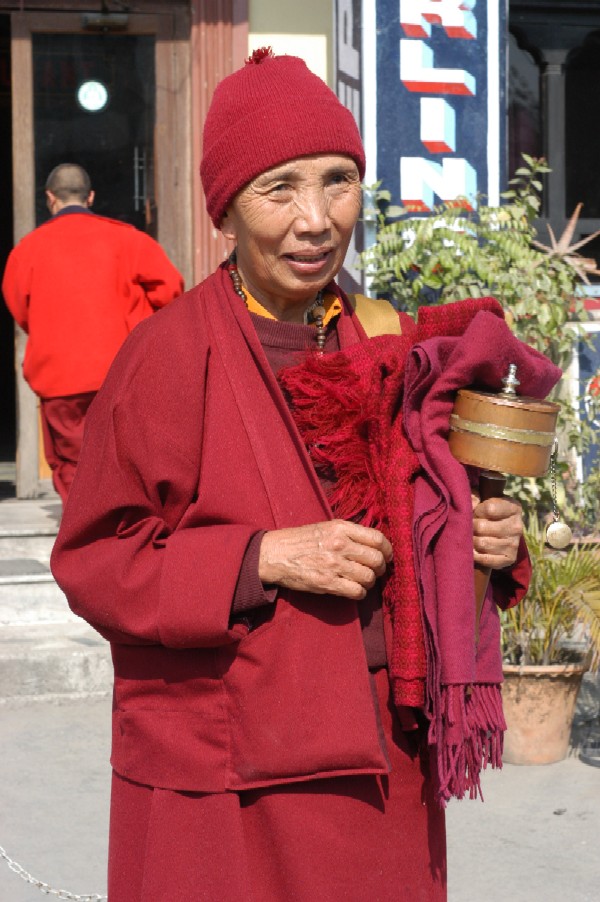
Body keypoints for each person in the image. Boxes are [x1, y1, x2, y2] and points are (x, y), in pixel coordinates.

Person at [50, 50, 559, 901]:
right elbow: (95, 559)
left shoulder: (386, 340)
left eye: (339, 180)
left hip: (379, 760)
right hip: (226, 767)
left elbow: (430, 521)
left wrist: (486, 540)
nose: (317, 219)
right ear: (226, 211)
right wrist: (260, 559)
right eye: (278, 188)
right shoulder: (167, 356)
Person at [2, 163, 184, 502]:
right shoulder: (128, 240)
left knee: (72, 464)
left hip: (59, 377)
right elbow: (170, 290)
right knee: (124, 458)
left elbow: (20, 310)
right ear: (90, 197)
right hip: (121, 371)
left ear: (49, 198)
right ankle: (123, 537)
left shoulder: (27, 250)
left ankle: (84, 540)